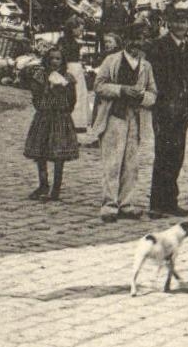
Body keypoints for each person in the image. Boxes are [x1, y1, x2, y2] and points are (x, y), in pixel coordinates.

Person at [91, 18, 157, 221]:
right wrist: (121, 90)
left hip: (135, 118)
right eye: (133, 39)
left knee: (131, 162)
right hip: (114, 116)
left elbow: (153, 92)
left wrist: (143, 97)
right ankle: (109, 204)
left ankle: (127, 203)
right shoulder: (112, 61)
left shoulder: (145, 66)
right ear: (125, 40)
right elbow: (99, 85)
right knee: (112, 160)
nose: (137, 44)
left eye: (141, 39)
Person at [148, 6, 188, 217]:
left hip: (182, 110)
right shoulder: (159, 46)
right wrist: (162, 103)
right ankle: (156, 203)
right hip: (164, 109)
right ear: (169, 23)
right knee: (163, 155)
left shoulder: (186, 48)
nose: (180, 26)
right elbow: (156, 80)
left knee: (177, 155)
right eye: (176, 22)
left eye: (184, 22)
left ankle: (170, 201)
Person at [23, 45, 79, 202]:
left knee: (58, 155)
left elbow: (72, 100)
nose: (55, 62)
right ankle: (43, 184)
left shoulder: (68, 78)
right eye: (52, 58)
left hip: (60, 117)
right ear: (47, 60)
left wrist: (64, 103)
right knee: (40, 153)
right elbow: (36, 96)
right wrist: (48, 91)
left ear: (63, 61)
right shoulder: (40, 76)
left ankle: (56, 188)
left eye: (58, 59)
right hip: (44, 117)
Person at [59, 17, 92, 132]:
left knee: (79, 94)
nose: (81, 32)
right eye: (79, 30)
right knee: (74, 93)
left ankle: (77, 121)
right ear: (72, 29)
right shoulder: (65, 41)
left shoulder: (71, 41)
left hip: (76, 68)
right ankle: (72, 120)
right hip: (70, 68)